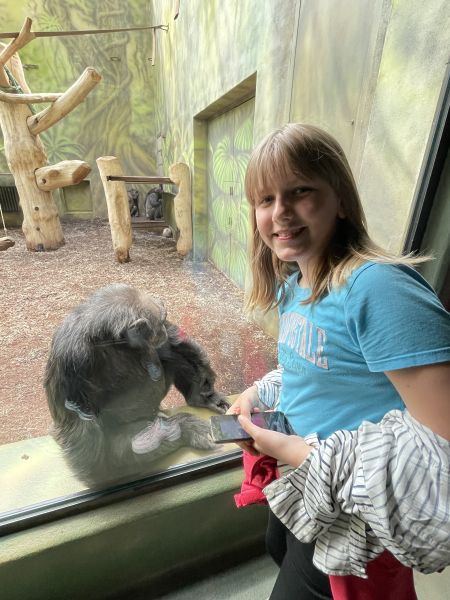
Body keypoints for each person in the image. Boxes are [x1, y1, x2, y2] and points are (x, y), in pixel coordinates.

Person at [228, 123, 450, 599]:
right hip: (304, 485)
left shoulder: (379, 289)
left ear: (341, 201)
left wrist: (298, 453)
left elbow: (443, 446)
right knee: (276, 547)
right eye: (265, 199)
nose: (280, 212)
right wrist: (257, 393)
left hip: (358, 515)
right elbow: (310, 368)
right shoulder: (295, 286)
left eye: (300, 191)